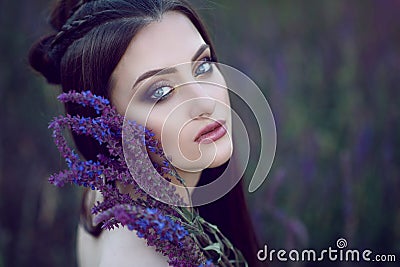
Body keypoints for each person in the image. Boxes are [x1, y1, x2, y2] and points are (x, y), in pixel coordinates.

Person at [29, 0, 261, 266]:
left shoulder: (108, 193)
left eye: (203, 66)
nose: (206, 103)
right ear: (106, 124)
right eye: (161, 92)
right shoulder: (146, 258)